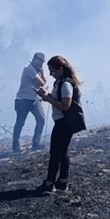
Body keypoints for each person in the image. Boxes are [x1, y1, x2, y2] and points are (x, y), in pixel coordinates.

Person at [37, 55, 81, 192]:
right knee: (61, 153)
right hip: (63, 122)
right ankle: (62, 181)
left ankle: (51, 183)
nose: (50, 74)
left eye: (53, 71)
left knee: (56, 153)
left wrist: (49, 100)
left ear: (61, 69)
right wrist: (48, 96)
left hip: (64, 123)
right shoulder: (60, 83)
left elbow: (65, 106)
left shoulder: (66, 84)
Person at [12, 52, 47, 152]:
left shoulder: (38, 70)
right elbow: (41, 82)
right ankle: (15, 145)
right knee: (20, 122)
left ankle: (36, 143)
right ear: (34, 59)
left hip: (34, 100)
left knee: (41, 119)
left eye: (42, 62)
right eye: (39, 61)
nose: (40, 63)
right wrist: (41, 72)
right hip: (22, 99)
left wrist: (42, 71)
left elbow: (44, 82)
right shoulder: (29, 68)